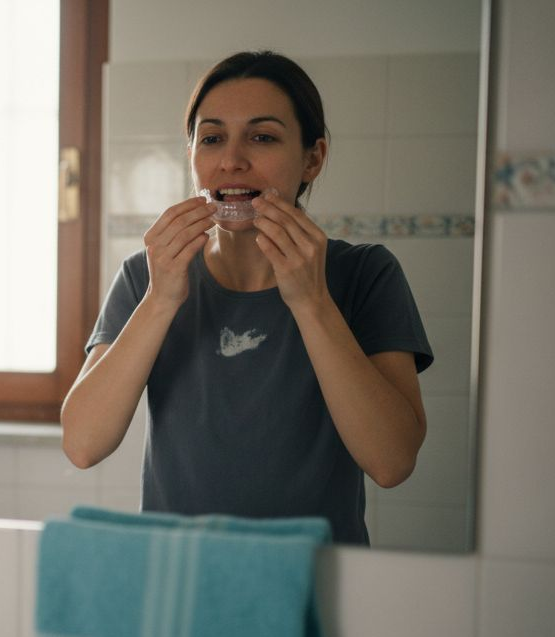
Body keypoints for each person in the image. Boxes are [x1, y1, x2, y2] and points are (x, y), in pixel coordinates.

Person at [60, 51, 432, 545]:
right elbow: (83, 445)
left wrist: (312, 302)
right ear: (191, 156)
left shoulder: (365, 274)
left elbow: (392, 462)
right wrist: (161, 299)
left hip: (315, 574)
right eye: (212, 139)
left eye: (262, 137)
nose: (232, 160)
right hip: (181, 573)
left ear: (313, 158)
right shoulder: (145, 276)